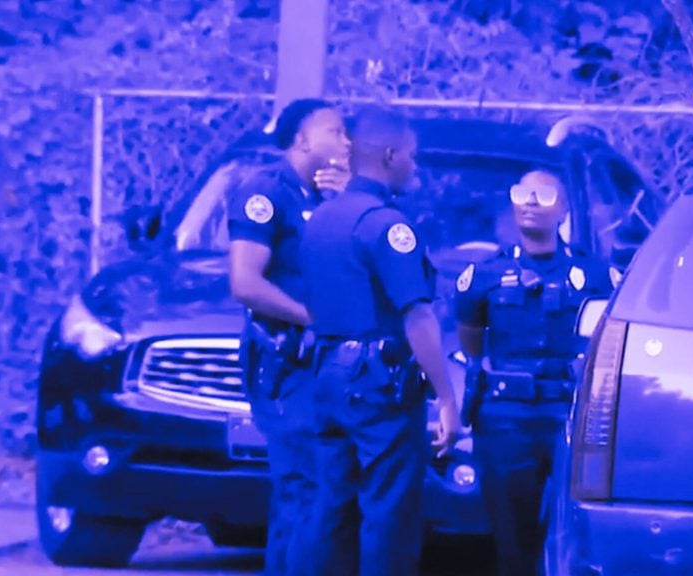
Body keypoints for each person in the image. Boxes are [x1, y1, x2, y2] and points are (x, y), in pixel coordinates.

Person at [299, 108, 462, 576]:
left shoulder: (321, 217)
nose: (414, 164)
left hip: (326, 375)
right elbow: (418, 316)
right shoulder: (386, 225)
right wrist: (447, 398)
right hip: (375, 384)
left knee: (332, 508)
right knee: (389, 512)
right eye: (411, 155)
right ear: (391, 156)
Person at [453, 170, 617, 576]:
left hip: (571, 416)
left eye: (544, 195)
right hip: (506, 417)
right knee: (512, 534)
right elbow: (471, 339)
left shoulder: (594, 275)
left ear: (562, 209)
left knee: (576, 528)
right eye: (522, 193)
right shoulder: (486, 274)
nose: (530, 201)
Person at [226, 98, 351, 576]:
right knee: (304, 486)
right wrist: (312, 318)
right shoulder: (266, 192)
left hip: (327, 367)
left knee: (321, 490)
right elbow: (245, 283)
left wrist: (344, 205)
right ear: (302, 139)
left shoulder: (325, 196)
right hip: (286, 362)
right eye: (335, 132)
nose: (346, 142)